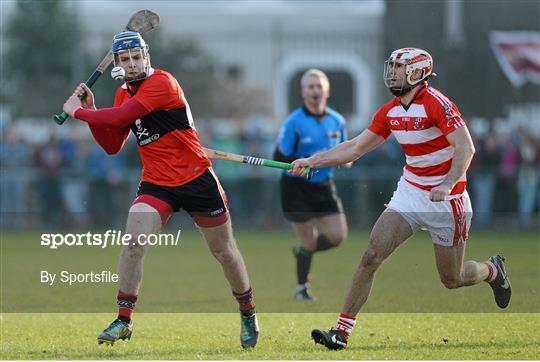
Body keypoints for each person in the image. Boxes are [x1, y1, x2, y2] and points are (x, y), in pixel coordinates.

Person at [289, 48, 512, 350]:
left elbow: (466, 147)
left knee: (452, 278)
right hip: (411, 192)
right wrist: (313, 160)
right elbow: (355, 147)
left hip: (449, 201)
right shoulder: (391, 111)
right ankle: (341, 333)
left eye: (398, 67)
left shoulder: (437, 104)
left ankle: (492, 270)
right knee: (371, 256)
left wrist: (447, 184)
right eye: (391, 66)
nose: (392, 72)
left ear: (418, 73)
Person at [62, 31, 259, 349]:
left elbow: (122, 117)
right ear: (118, 63)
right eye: (125, 59)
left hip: (196, 178)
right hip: (157, 182)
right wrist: (93, 110)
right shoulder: (122, 94)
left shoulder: (162, 83)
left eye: (137, 57)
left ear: (147, 57)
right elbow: (113, 144)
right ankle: (123, 320)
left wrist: (79, 112)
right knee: (134, 242)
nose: (133, 63)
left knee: (224, 251)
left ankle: (248, 311)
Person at [274, 69, 349, 301]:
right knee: (309, 239)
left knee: (338, 236)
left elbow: (347, 150)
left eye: (319, 86)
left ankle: (302, 253)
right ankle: (301, 289)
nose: (315, 91)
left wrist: (345, 159)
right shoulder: (294, 122)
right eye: (310, 87)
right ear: (303, 92)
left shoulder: (337, 120)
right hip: (296, 188)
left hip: (324, 185)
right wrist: (298, 164)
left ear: (327, 91)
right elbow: (279, 157)